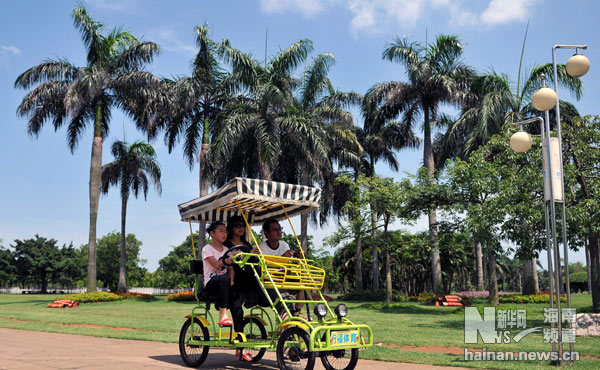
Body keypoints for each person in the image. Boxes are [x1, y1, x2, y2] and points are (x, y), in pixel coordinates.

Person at [258, 218, 305, 317]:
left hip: (284, 276)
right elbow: (266, 267)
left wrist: (296, 255)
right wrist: (283, 258)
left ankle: (297, 311)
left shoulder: (284, 245)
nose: (279, 232)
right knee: (283, 300)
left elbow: (289, 263)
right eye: (275, 230)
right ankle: (287, 315)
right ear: (266, 233)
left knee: (304, 285)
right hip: (271, 280)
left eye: (280, 229)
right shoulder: (262, 247)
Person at [201, 222, 243, 331]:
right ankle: (223, 315)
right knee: (224, 279)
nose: (224, 234)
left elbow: (231, 269)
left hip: (225, 284)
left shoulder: (225, 249)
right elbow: (216, 265)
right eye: (221, 231)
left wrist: (232, 280)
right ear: (212, 233)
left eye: (225, 231)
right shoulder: (207, 248)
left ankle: (239, 336)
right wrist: (228, 258)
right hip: (211, 283)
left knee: (237, 303)